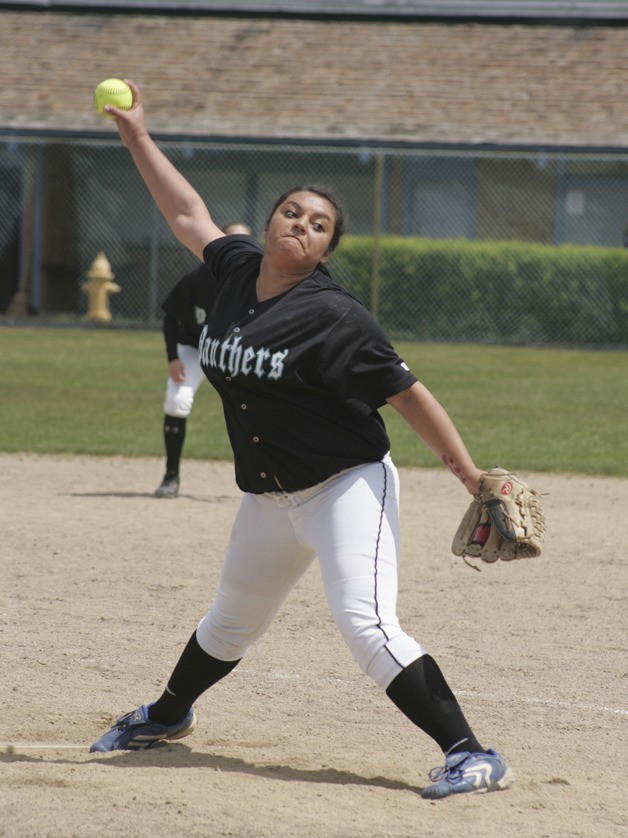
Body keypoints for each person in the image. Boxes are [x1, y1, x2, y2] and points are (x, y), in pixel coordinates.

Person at [90, 80, 515, 801]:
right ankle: (167, 715)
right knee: (230, 620)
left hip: (347, 483)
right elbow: (188, 211)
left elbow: (409, 396)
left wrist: (472, 477)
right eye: (293, 212)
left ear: (324, 251)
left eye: (319, 224)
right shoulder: (231, 269)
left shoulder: (336, 318)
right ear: (272, 219)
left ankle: (472, 754)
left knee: (366, 623)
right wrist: (134, 133)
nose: (301, 225)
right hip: (270, 495)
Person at [154, 222, 253, 498]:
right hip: (194, 349)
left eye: (244, 240)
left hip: (233, 353)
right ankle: (171, 475)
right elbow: (171, 318)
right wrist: (173, 358)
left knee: (259, 408)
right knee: (177, 401)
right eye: (231, 239)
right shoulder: (198, 278)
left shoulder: (257, 282)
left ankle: (263, 481)